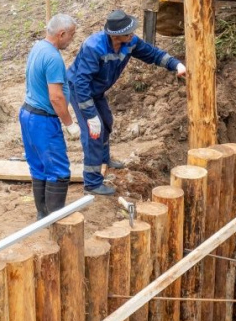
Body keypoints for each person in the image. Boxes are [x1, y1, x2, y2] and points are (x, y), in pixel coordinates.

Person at [67, 10, 186, 195]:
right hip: (80, 91)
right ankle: (92, 183)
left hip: (97, 89)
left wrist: (175, 64)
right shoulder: (94, 47)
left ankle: (104, 160)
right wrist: (90, 116)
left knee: (106, 122)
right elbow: (81, 84)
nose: (132, 34)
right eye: (128, 32)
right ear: (115, 35)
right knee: (93, 133)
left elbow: (152, 53)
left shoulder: (130, 42)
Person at [19, 14, 81, 219]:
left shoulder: (38, 47)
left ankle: (42, 215)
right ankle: (55, 219)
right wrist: (70, 123)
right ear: (61, 34)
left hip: (28, 114)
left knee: (38, 166)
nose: (71, 40)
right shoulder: (53, 58)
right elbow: (56, 97)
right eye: (71, 35)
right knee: (59, 171)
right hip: (43, 120)